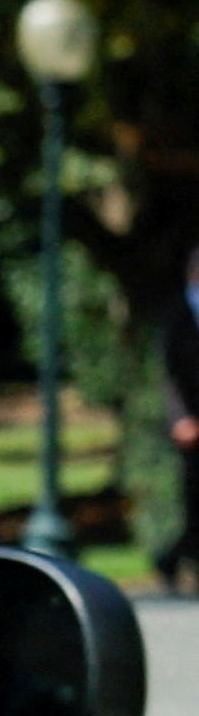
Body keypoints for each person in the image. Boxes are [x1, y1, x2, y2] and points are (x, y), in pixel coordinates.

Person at [156, 244, 199, 592]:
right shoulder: (176, 316)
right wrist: (181, 418)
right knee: (194, 499)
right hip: (191, 427)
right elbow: (168, 375)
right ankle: (172, 558)